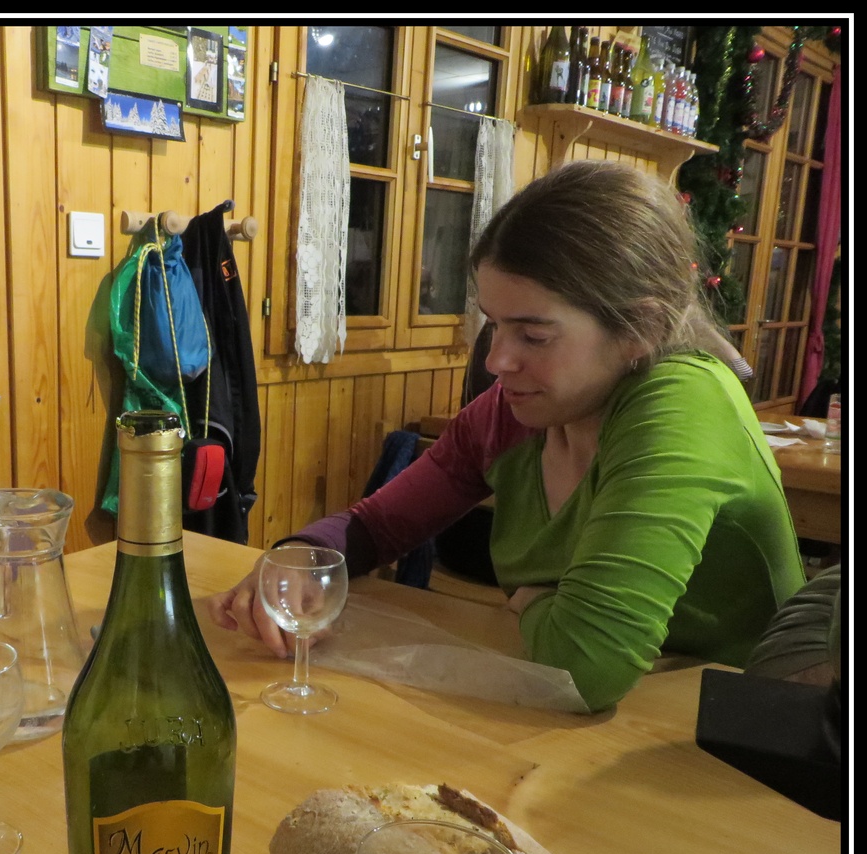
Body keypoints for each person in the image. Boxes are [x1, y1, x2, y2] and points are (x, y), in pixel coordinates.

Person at [208, 161, 804, 712]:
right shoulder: (514, 413)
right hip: (584, 723)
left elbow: (586, 668)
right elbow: (375, 528)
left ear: (641, 328)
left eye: (534, 336)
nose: (495, 362)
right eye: (494, 326)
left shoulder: (682, 401)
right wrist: (298, 560)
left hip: (732, 733)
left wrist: (534, 600)